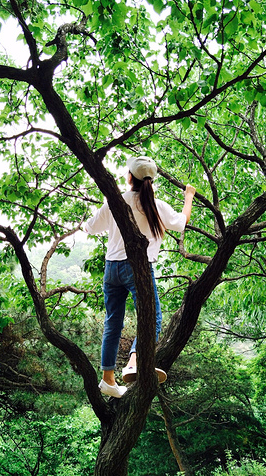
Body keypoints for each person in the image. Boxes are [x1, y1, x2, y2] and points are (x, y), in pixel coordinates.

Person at [85, 156, 196, 398]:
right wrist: (188, 197)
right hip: (138, 269)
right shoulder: (157, 205)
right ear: (151, 180)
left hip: (111, 269)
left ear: (129, 177)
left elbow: (91, 227)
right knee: (153, 318)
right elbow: (181, 223)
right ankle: (134, 360)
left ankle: (108, 379)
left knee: (112, 322)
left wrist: (87, 222)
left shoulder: (116, 201)